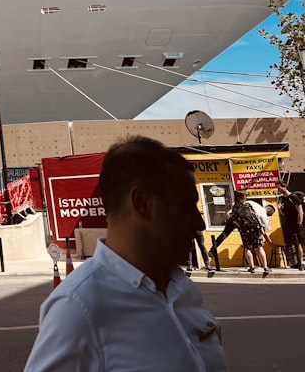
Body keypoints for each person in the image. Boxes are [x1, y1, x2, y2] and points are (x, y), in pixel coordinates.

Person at [25, 136, 227, 371]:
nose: (199, 223)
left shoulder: (183, 290)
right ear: (141, 202)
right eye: (186, 206)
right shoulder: (78, 307)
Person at [216, 191, 269, 275]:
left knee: (247, 248)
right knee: (259, 247)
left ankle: (252, 267)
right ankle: (265, 267)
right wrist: (263, 226)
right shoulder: (249, 204)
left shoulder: (235, 208)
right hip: (255, 228)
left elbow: (232, 218)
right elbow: (259, 215)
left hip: (244, 230)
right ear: (243, 197)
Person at [277, 180, 304, 270]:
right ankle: (294, 262)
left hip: (296, 224)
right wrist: (280, 209)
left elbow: (300, 211)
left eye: (279, 187)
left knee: (298, 243)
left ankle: (300, 262)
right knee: (290, 243)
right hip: (288, 224)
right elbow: (285, 214)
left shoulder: (293, 197)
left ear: (284, 186)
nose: (278, 189)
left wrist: (299, 224)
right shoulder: (282, 199)